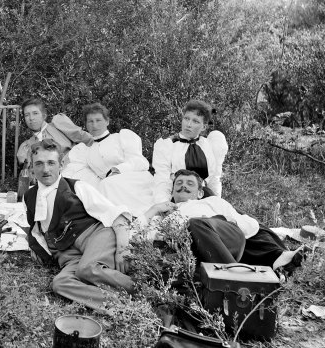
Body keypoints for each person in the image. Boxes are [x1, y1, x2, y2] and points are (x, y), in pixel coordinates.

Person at [24, 138, 136, 313]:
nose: (45, 170)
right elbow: (36, 229)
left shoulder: (77, 187)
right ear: (32, 167)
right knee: (60, 283)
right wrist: (35, 247)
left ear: (61, 165)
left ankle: (139, 289)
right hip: (69, 254)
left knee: (88, 269)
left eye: (51, 163)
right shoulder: (29, 196)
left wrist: (123, 248)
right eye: (39, 164)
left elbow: (114, 214)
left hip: (95, 236)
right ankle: (117, 304)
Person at [138, 170, 305, 273]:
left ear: (200, 193)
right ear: (172, 191)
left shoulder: (211, 202)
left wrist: (215, 222)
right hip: (195, 252)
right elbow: (136, 235)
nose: (183, 186)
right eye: (179, 184)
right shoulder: (163, 215)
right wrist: (153, 210)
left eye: (190, 184)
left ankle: (234, 276)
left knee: (196, 224)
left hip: (226, 238)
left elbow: (250, 226)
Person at [62, 103, 155, 215]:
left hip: (133, 180)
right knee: (103, 188)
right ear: (86, 125)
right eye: (90, 121)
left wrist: (117, 170)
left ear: (107, 121)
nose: (94, 125)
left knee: (108, 185)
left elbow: (140, 162)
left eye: (98, 120)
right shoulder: (86, 151)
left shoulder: (121, 137)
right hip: (108, 189)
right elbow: (76, 171)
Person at [152, 100, 228, 204]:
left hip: (205, 198)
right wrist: (163, 205)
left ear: (204, 126)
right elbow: (162, 179)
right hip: (179, 198)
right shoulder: (167, 145)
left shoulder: (209, 146)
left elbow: (214, 179)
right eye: (186, 119)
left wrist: (218, 204)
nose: (188, 124)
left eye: (195, 121)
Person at [16, 98, 93, 165]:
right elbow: (28, 170)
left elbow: (86, 138)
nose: (31, 118)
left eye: (35, 113)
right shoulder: (27, 145)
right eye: (27, 115)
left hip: (79, 164)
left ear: (44, 115)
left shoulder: (57, 124)